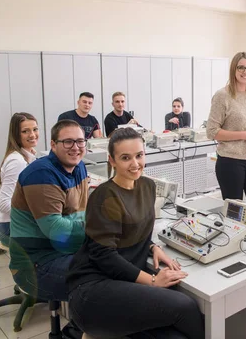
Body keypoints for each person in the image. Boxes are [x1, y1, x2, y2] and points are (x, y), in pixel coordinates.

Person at [67, 128, 204, 339]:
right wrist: (151, 281)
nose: (135, 164)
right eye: (125, 158)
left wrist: (152, 246)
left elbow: (133, 229)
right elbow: (104, 255)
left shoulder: (147, 186)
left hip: (124, 283)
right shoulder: (105, 196)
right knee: (184, 306)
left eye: (139, 155)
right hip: (93, 289)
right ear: (112, 160)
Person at [9, 119, 88, 302]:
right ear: (53, 145)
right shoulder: (41, 173)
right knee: (100, 278)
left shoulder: (79, 166)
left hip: (66, 250)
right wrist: (98, 227)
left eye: (80, 141)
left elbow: (83, 211)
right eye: (68, 141)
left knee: (117, 262)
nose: (75, 147)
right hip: (36, 263)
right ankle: (78, 330)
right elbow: (57, 230)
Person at [206, 52, 246, 207]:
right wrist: (245, 135)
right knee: (235, 213)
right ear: (233, 69)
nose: (245, 72)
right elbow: (212, 131)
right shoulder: (222, 95)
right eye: (241, 67)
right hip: (230, 161)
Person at [0, 112, 38, 247]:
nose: (32, 135)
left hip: (17, 224)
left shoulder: (29, 155)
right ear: (16, 135)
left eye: (35, 129)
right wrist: (36, 212)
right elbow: (4, 204)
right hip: (10, 228)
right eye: (25, 131)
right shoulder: (17, 161)